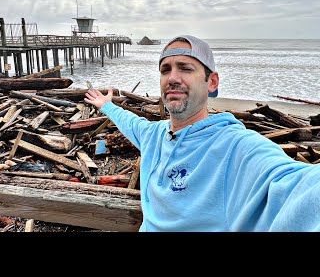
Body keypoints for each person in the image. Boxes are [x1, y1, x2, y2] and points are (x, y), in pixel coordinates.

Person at [84, 34, 320, 232]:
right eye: (165, 70)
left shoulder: (235, 147)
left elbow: (297, 187)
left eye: (186, 68)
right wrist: (106, 105)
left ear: (212, 82)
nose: (172, 78)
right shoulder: (153, 135)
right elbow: (131, 122)